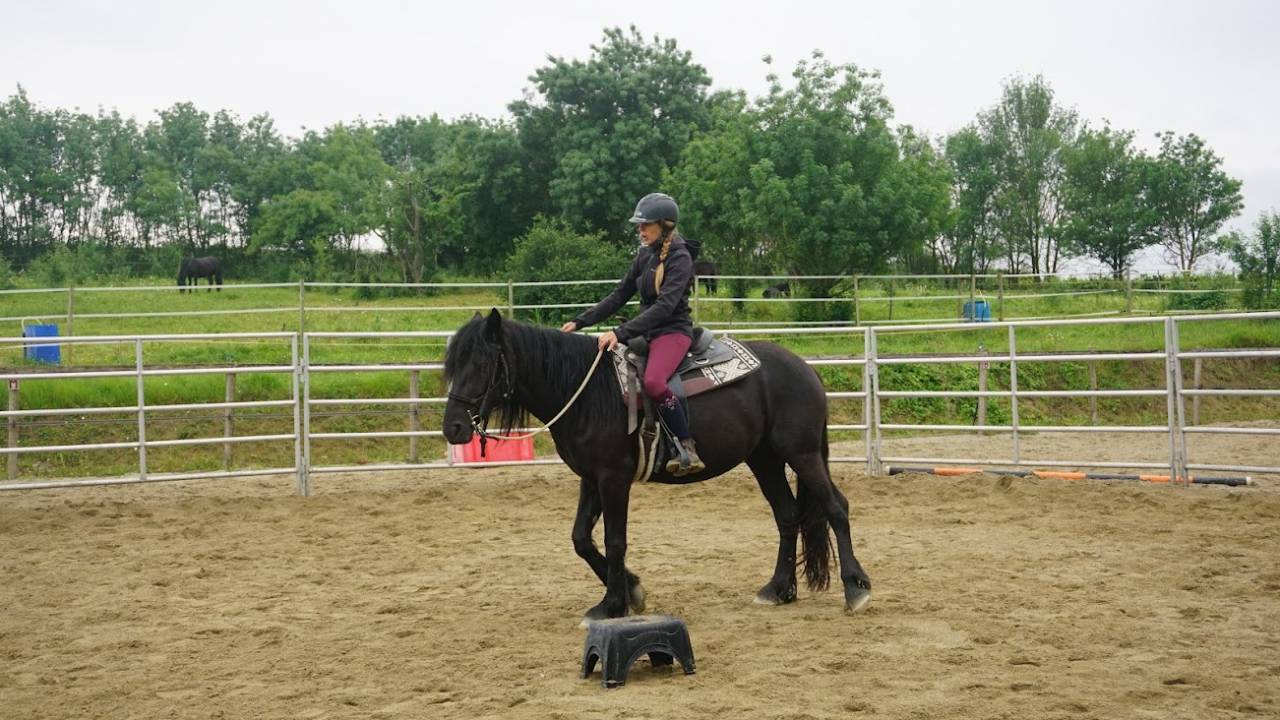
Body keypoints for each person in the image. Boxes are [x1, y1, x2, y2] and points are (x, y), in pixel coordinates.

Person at [560, 192, 706, 476]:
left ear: (664, 225)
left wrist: (620, 332)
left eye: (645, 224)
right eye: (639, 225)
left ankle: (686, 446)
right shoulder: (644, 256)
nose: (640, 230)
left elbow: (665, 307)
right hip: (648, 332)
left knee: (653, 382)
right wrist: (580, 322)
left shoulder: (681, 258)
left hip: (672, 332)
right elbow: (618, 296)